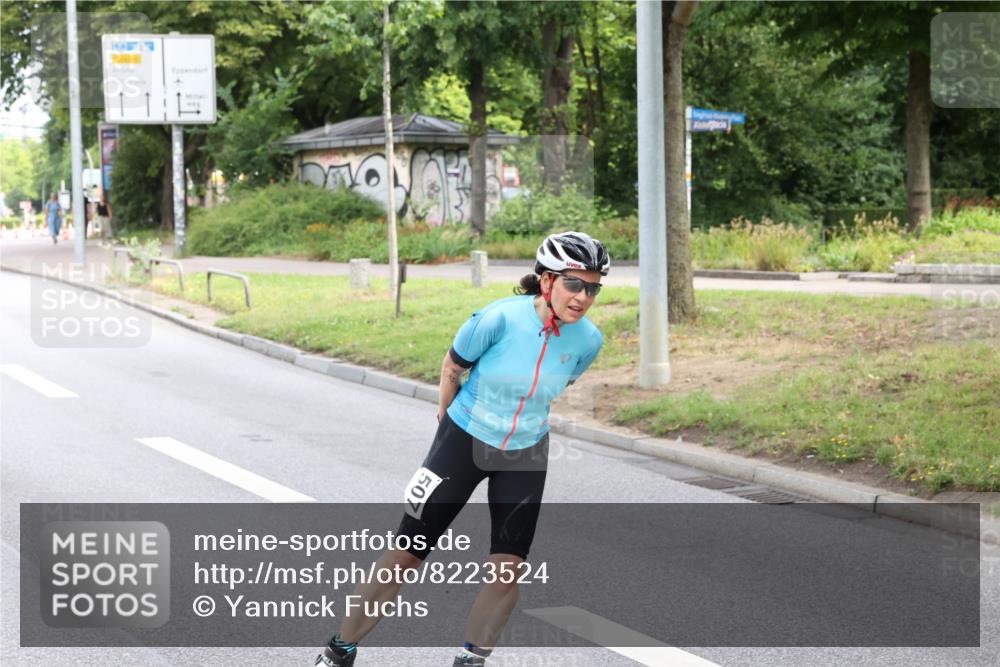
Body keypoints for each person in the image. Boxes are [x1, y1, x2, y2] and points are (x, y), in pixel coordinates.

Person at [315, 231, 610, 667]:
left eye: (593, 287)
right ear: (546, 280)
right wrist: (446, 426)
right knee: (406, 553)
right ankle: (340, 650)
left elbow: (556, 386)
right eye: (574, 283)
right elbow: (453, 367)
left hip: (525, 452)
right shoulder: (497, 319)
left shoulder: (588, 341)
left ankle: (472, 660)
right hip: (463, 439)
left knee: (508, 567)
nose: (583, 297)